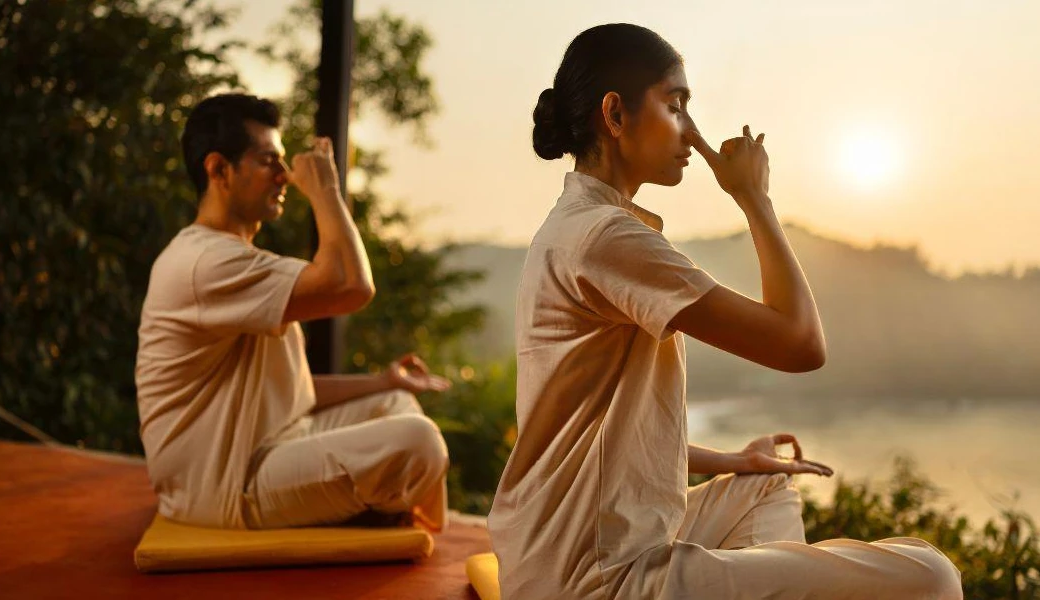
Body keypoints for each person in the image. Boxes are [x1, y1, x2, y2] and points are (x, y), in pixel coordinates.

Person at [486, 24, 964, 599]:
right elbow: (800, 344)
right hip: (595, 579)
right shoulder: (604, 237)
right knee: (932, 577)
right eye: (675, 104)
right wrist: (754, 198)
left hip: (559, 552)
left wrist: (731, 458)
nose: (691, 129)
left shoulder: (576, 227)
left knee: (765, 485)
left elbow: (604, 439)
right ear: (614, 115)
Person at [134, 93, 451, 532]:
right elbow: (352, 285)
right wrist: (326, 190)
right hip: (222, 485)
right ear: (218, 169)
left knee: (397, 402)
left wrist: (383, 381)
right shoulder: (204, 263)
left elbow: (293, 393)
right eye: (268, 160)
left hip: (277, 445)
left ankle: (376, 507)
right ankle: (380, 510)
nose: (284, 176)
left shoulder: (235, 260)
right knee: (417, 442)